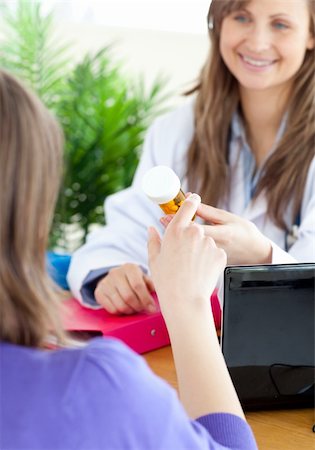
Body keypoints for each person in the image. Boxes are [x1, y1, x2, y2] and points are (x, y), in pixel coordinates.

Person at [0, 69, 257, 449]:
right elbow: (120, 229)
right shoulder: (92, 386)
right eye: (239, 16)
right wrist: (187, 305)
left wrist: (264, 255)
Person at [67, 0, 315, 319]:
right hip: (187, 348)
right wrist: (110, 273)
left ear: (311, 33)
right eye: (242, 17)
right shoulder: (176, 131)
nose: (257, 42)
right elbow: (132, 230)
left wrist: (262, 255)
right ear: (219, 22)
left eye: (280, 24)